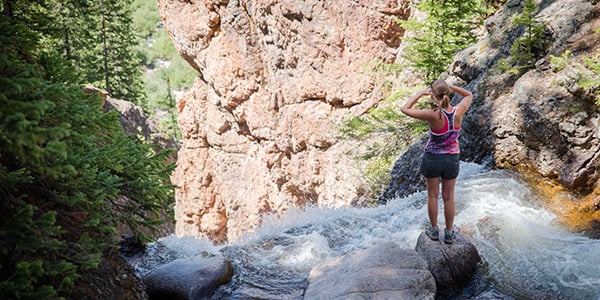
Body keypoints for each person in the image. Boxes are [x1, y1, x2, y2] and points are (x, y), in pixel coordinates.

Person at [400, 80, 473, 244]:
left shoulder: (433, 115)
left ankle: (434, 231)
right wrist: (450, 87)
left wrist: (420, 94)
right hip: (451, 158)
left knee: (432, 196)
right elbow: (469, 94)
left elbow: (405, 109)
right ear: (447, 93)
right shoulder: (459, 111)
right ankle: (449, 232)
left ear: (433, 95)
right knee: (449, 197)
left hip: (433, 157)